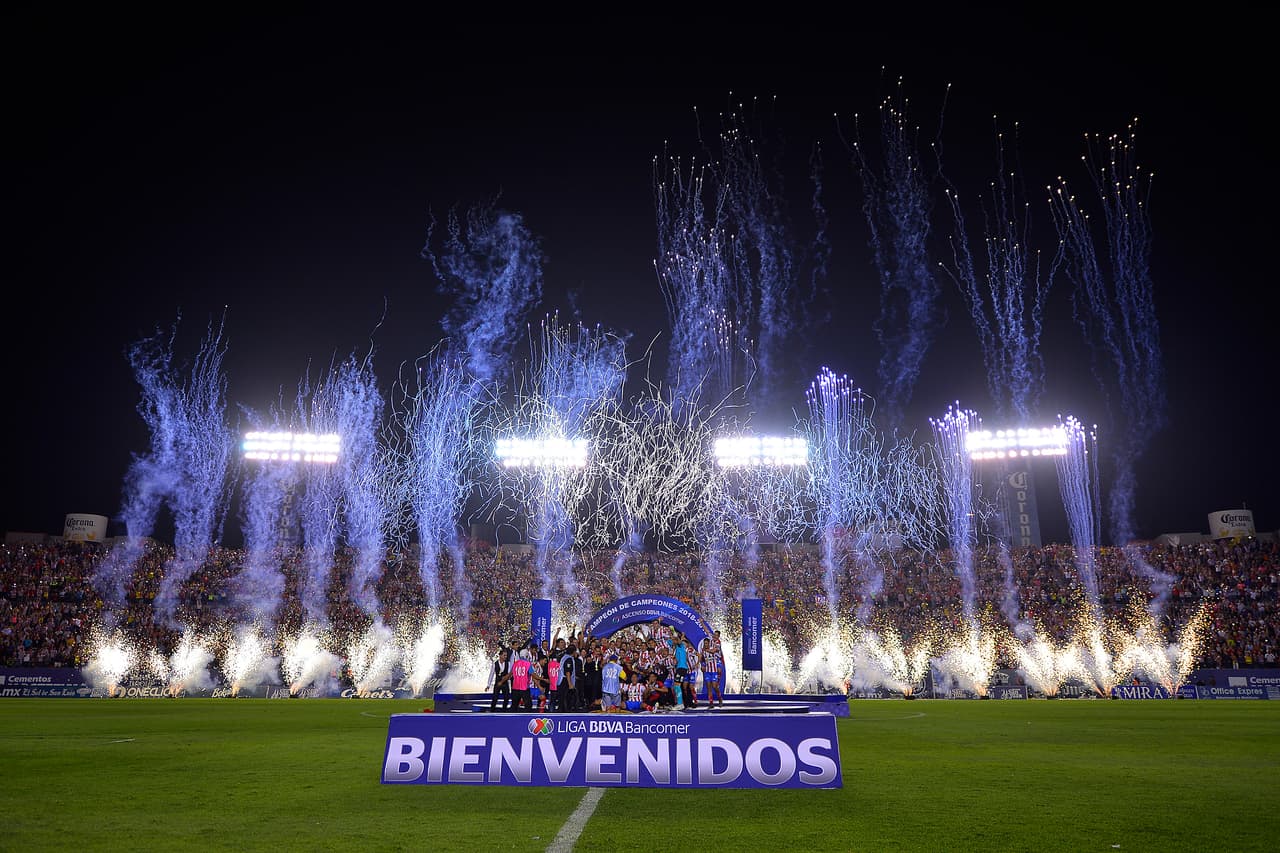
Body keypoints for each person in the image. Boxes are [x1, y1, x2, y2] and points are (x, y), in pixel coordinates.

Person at [702, 632, 724, 708]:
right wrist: (703, 666)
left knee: (715, 686)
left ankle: (720, 699)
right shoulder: (703, 652)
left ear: (709, 644)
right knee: (709, 687)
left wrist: (719, 667)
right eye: (704, 644)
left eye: (707, 643)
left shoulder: (715, 649)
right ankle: (711, 703)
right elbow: (703, 660)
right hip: (707, 671)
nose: (705, 645)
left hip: (714, 671)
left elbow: (714, 652)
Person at [489, 648, 512, 712]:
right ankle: (492, 711)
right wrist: (488, 685)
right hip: (497, 683)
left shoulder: (508, 663)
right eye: (504, 655)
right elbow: (491, 674)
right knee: (495, 698)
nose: (505, 657)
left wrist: (506, 679)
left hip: (505, 683)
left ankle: (504, 711)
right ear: (500, 655)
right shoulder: (495, 664)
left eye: (506, 655)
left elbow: (509, 674)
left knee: (506, 697)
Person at [558, 645, 579, 712]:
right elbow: (567, 672)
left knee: (563, 699)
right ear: (573, 652)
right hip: (565, 681)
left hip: (562, 680)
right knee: (566, 700)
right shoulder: (569, 659)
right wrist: (570, 684)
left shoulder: (564, 657)